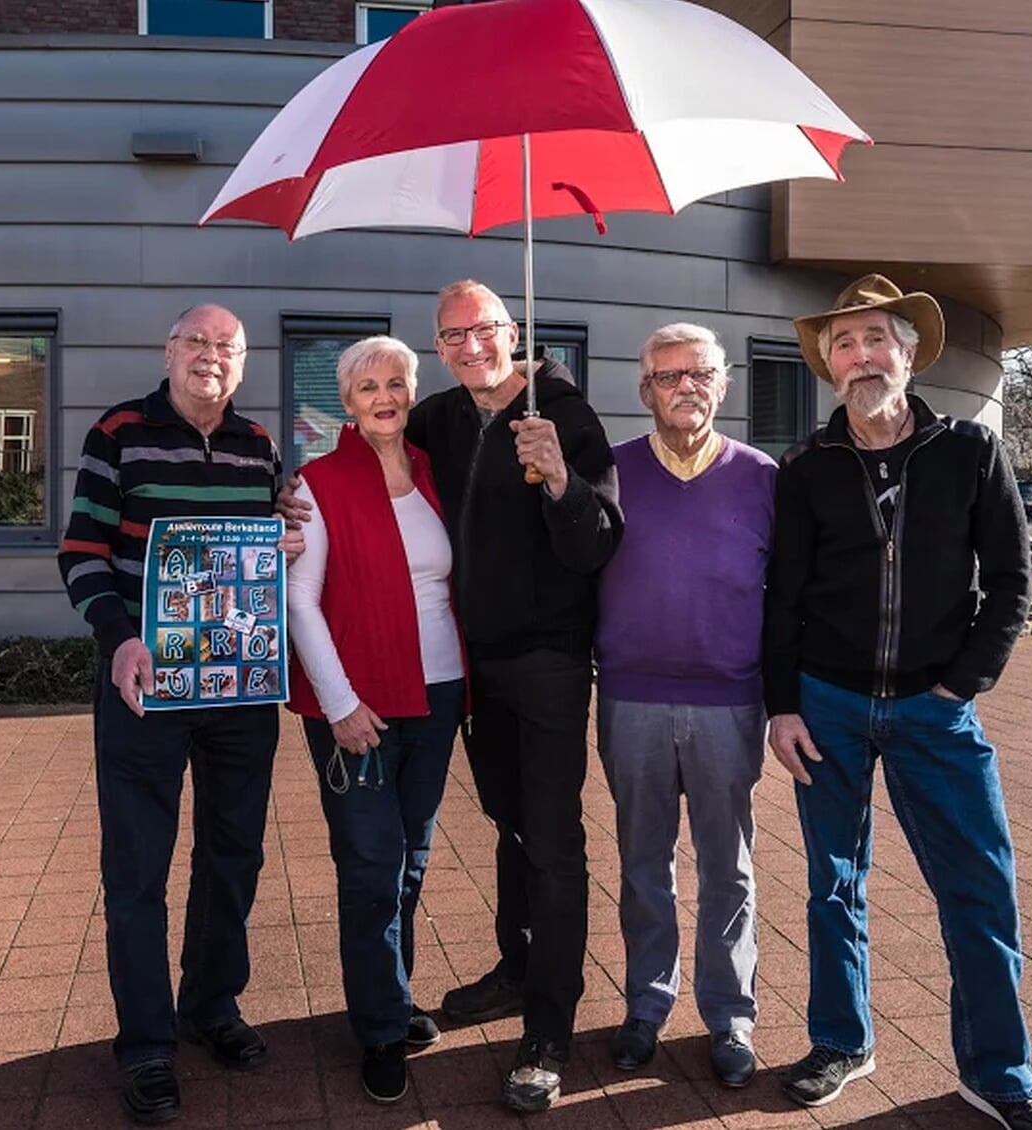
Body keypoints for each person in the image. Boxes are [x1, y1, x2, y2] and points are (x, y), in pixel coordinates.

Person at [280, 279, 621, 1112]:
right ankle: (511, 967)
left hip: (542, 663)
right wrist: (283, 504)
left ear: (512, 332)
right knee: (505, 825)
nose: (470, 346)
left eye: (484, 330)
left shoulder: (563, 417)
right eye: (452, 336)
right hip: (471, 674)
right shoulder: (433, 423)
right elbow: (342, 500)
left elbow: (599, 543)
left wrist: (559, 481)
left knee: (549, 839)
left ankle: (548, 1028)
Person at [761, 275, 1032, 1130]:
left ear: (908, 354)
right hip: (827, 705)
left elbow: (1012, 580)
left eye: (877, 341)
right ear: (829, 365)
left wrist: (961, 682)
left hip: (937, 710)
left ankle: (998, 1074)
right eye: (845, 344)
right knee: (833, 884)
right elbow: (782, 595)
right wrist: (782, 705)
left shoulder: (970, 451)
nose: (863, 357)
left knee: (979, 890)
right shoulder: (806, 469)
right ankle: (841, 1041)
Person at [57, 304, 301, 1127]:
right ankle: (146, 1044)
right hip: (144, 690)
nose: (210, 357)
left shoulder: (259, 445)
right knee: (137, 871)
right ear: (169, 352)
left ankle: (211, 1005)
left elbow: (267, 546)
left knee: (234, 854)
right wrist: (118, 640)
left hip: (239, 690)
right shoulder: (118, 432)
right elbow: (82, 552)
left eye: (226, 347)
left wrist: (289, 533)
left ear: (243, 362)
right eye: (196, 343)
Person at [283, 336, 466, 1105]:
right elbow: (300, 598)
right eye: (367, 387)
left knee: (412, 857)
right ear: (347, 401)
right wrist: (340, 702)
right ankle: (381, 1029)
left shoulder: (434, 474)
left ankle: (391, 993)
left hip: (441, 692)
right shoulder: (318, 483)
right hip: (359, 704)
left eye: (396, 383)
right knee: (370, 867)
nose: (384, 397)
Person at [594, 324, 775, 1089]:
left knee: (727, 867)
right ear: (646, 390)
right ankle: (646, 1004)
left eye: (699, 373)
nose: (685, 387)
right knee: (642, 864)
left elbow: (792, 593)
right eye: (668, 376)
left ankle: (730, 1016)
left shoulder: (764, 477)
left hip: (728, 701)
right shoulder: (609, 472)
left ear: (722, 385)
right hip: (631, 695)